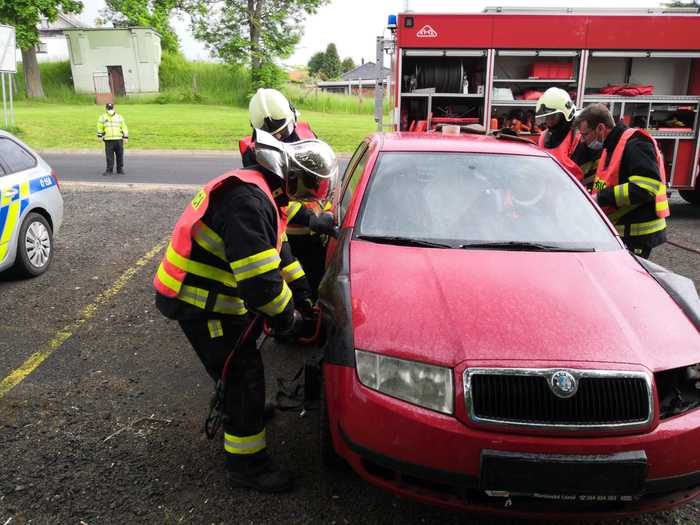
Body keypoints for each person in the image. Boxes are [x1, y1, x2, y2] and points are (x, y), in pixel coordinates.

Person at [153, 129, 338, 493]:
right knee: (243, 374)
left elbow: (279, 254)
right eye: (311, 186)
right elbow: (260, 285)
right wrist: (290, 320)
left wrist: (303, 293)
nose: (311, 196)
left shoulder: (264, 192)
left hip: (210, 294)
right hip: (197, 300)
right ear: (292, 176)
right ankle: (247, 465)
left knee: (239, 363)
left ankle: (242, 411)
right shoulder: (249, 203)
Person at [240, 88, 327, 295]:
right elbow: (271, 197)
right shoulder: (254, 154)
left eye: (283, 132)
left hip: (319, 225)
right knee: (294, 284)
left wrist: (324, 213)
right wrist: (309, 217)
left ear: (293, 116)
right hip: (290, 232)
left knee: (319, 280)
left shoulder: (307, 135)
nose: (279, 139)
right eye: (271, 137)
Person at [574, 103, 670, 258]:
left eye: (585, 135)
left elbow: (646, 187)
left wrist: (600, 198)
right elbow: (607, 181)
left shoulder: (636, 143)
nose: (584, 140)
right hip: (621, 230)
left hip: (638, 233)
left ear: (600, 128)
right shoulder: (610, 145)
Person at [535, 87, 600, 188]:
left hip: (579, 193)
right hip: (550, 192)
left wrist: (597, 194)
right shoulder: (543, 138)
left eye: (553, 117)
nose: (549, 122)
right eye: (547, 117)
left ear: (565, 114)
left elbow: (601, 175)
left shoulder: (583, 138)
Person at [97, 103, 128, 176]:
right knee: (109, 156)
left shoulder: (119, 117)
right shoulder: (102, 117)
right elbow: (100, 128)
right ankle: (109, 170)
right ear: (106, 109)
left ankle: (120, 169)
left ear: (114, 108)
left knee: (120, 155)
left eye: (111, 108)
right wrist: (99, 136)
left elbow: (124, 127)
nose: (110, 110)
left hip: (118, 139)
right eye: (109, 108)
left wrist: (125, 137)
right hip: (108, 140)